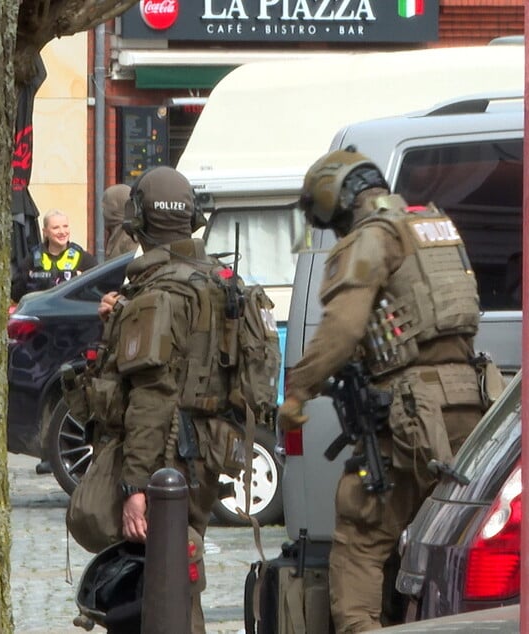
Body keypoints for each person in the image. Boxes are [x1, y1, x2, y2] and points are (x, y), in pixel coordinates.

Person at [277, 148, 488, 633]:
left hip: (411, 412)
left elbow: (344, 327)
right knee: (443, 538)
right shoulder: (433, 227)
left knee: (360, 537)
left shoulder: (370, 238)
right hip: (469, 403)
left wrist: (296, 394)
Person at [72, 166, 241, 634]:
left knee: (158, 580)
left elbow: (153, 395)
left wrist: (136, 489)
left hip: (168, 455)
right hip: (207, 450)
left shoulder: (160, 292)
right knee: (178, 571)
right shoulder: (215, 280)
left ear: (140, 221)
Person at [21, 209, 96, 295]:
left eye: (65, 226)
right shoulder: (33, 258)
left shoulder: (83, 258)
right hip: (41, 307)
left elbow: (97, 288)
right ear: (45, 232)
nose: (62, 232)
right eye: (56, 228)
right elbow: (17, 293)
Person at [102, 183, 137, 259]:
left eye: (105, 208)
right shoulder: (117, 234)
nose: (103, 213)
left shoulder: (130, 239)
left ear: (114, 208)